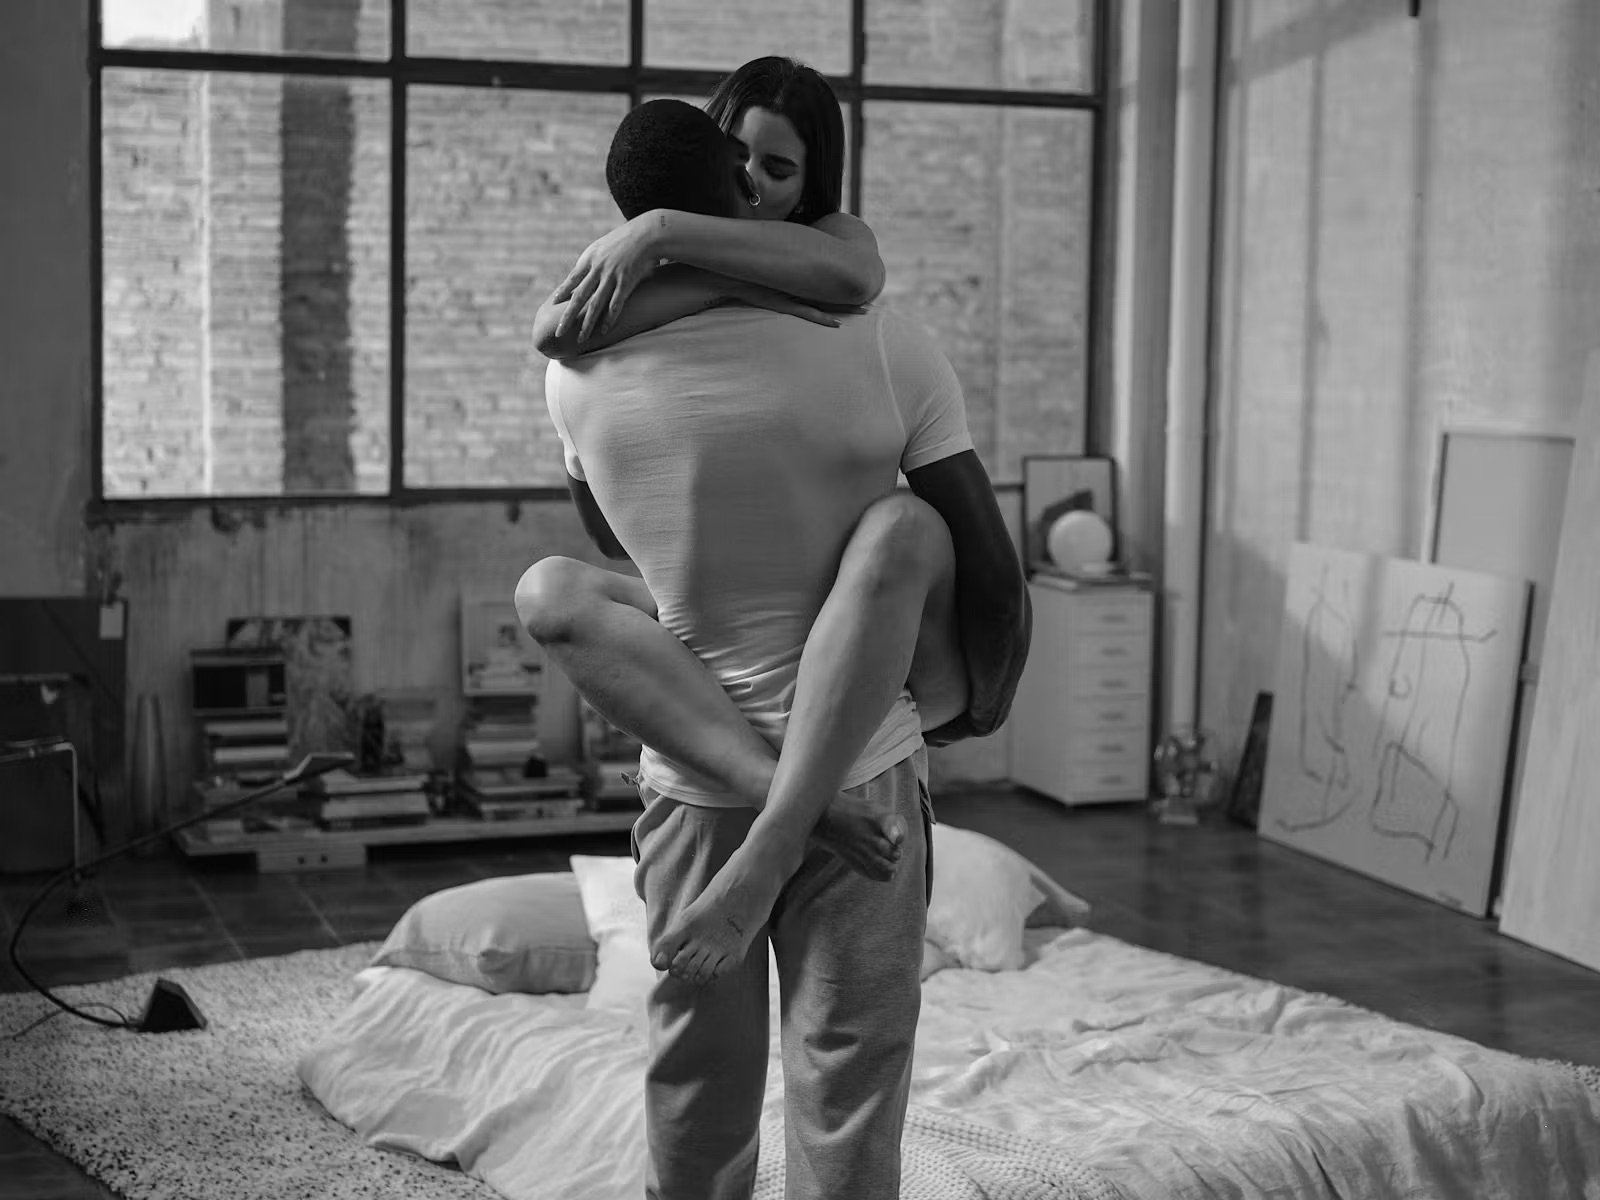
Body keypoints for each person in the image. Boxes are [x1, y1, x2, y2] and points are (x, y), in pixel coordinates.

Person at [528, 97, 1029, 1200]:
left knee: (695, 1082)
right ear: (734, 185)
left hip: (693, 775)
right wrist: (977, 698)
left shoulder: (573, 374)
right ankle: (795, 814)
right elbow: (986, 555)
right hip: (860, 767)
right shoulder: (881, 338)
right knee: (847, 1080)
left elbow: (608, 537)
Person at [520, 57, 1025, 886]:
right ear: (712, 156)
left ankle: (784, 812)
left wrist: (664, 233)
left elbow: (854, 274)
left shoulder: (845, 277)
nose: (751, 183)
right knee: (549, 589)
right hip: (762, 740)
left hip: (843, 703)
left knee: (907, 530)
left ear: (810, 185)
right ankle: (797, 808)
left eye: (777, 167)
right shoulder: (869, 338)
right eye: (739, 156)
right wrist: (700, 268)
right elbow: (555, 330)